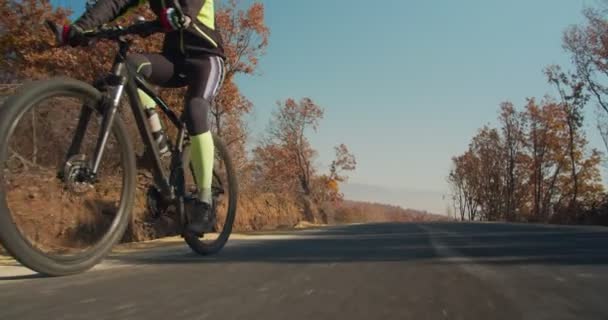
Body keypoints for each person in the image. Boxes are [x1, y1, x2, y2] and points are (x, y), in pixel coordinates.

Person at [54, 0, 225, 235]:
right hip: (173, 60)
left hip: (207, 59)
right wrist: (80, 28)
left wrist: (183, 14)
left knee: (195, 111)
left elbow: (191, 5)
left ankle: (205, 203)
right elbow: (114, 3)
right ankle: (159, 144)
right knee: (130, 66)